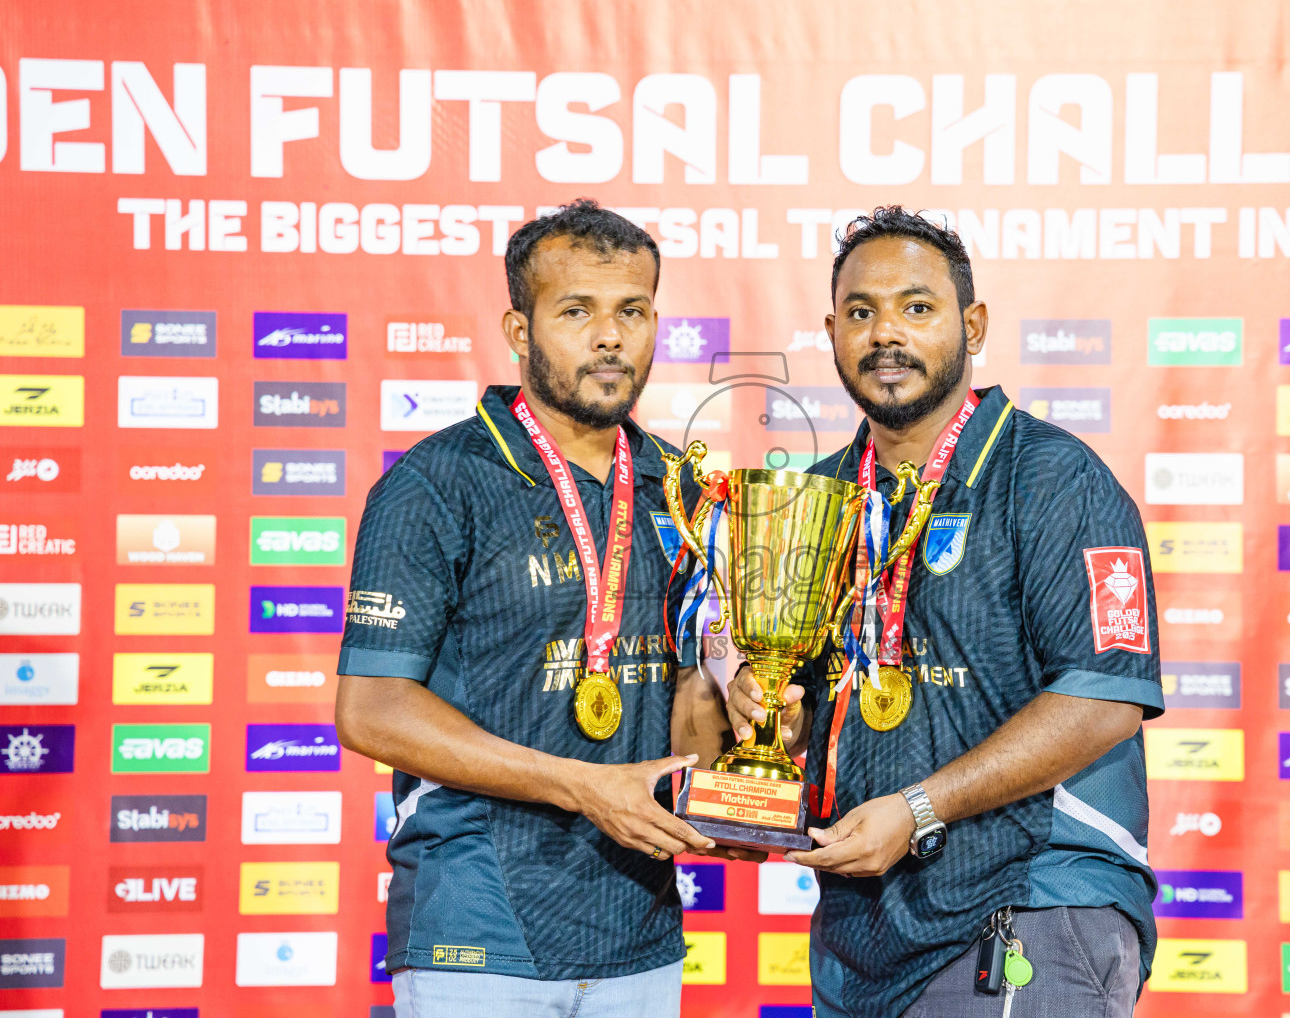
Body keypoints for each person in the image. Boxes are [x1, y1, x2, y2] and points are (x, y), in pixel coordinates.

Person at [727, 206, 1163, 1017]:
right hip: (861, 931)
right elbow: (805, 707)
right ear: (830, 330)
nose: (885, 333)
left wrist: (920, 808)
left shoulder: (1056, 479)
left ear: (972, 324)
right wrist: (770, 717)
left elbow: (1105, 698)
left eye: (915, 307)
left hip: (1028, 905)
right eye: (861, 312)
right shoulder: (813, 499)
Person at [336, 199, 741, 1018]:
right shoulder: (438, 481)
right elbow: (371, 711)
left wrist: (742, 706)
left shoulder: (688, 489)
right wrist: (582, 786)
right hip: (477, 930)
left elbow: (690, 726)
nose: (608, 337)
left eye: (631, 311)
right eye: (576, 312)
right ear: (520, 331)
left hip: (640, 930)